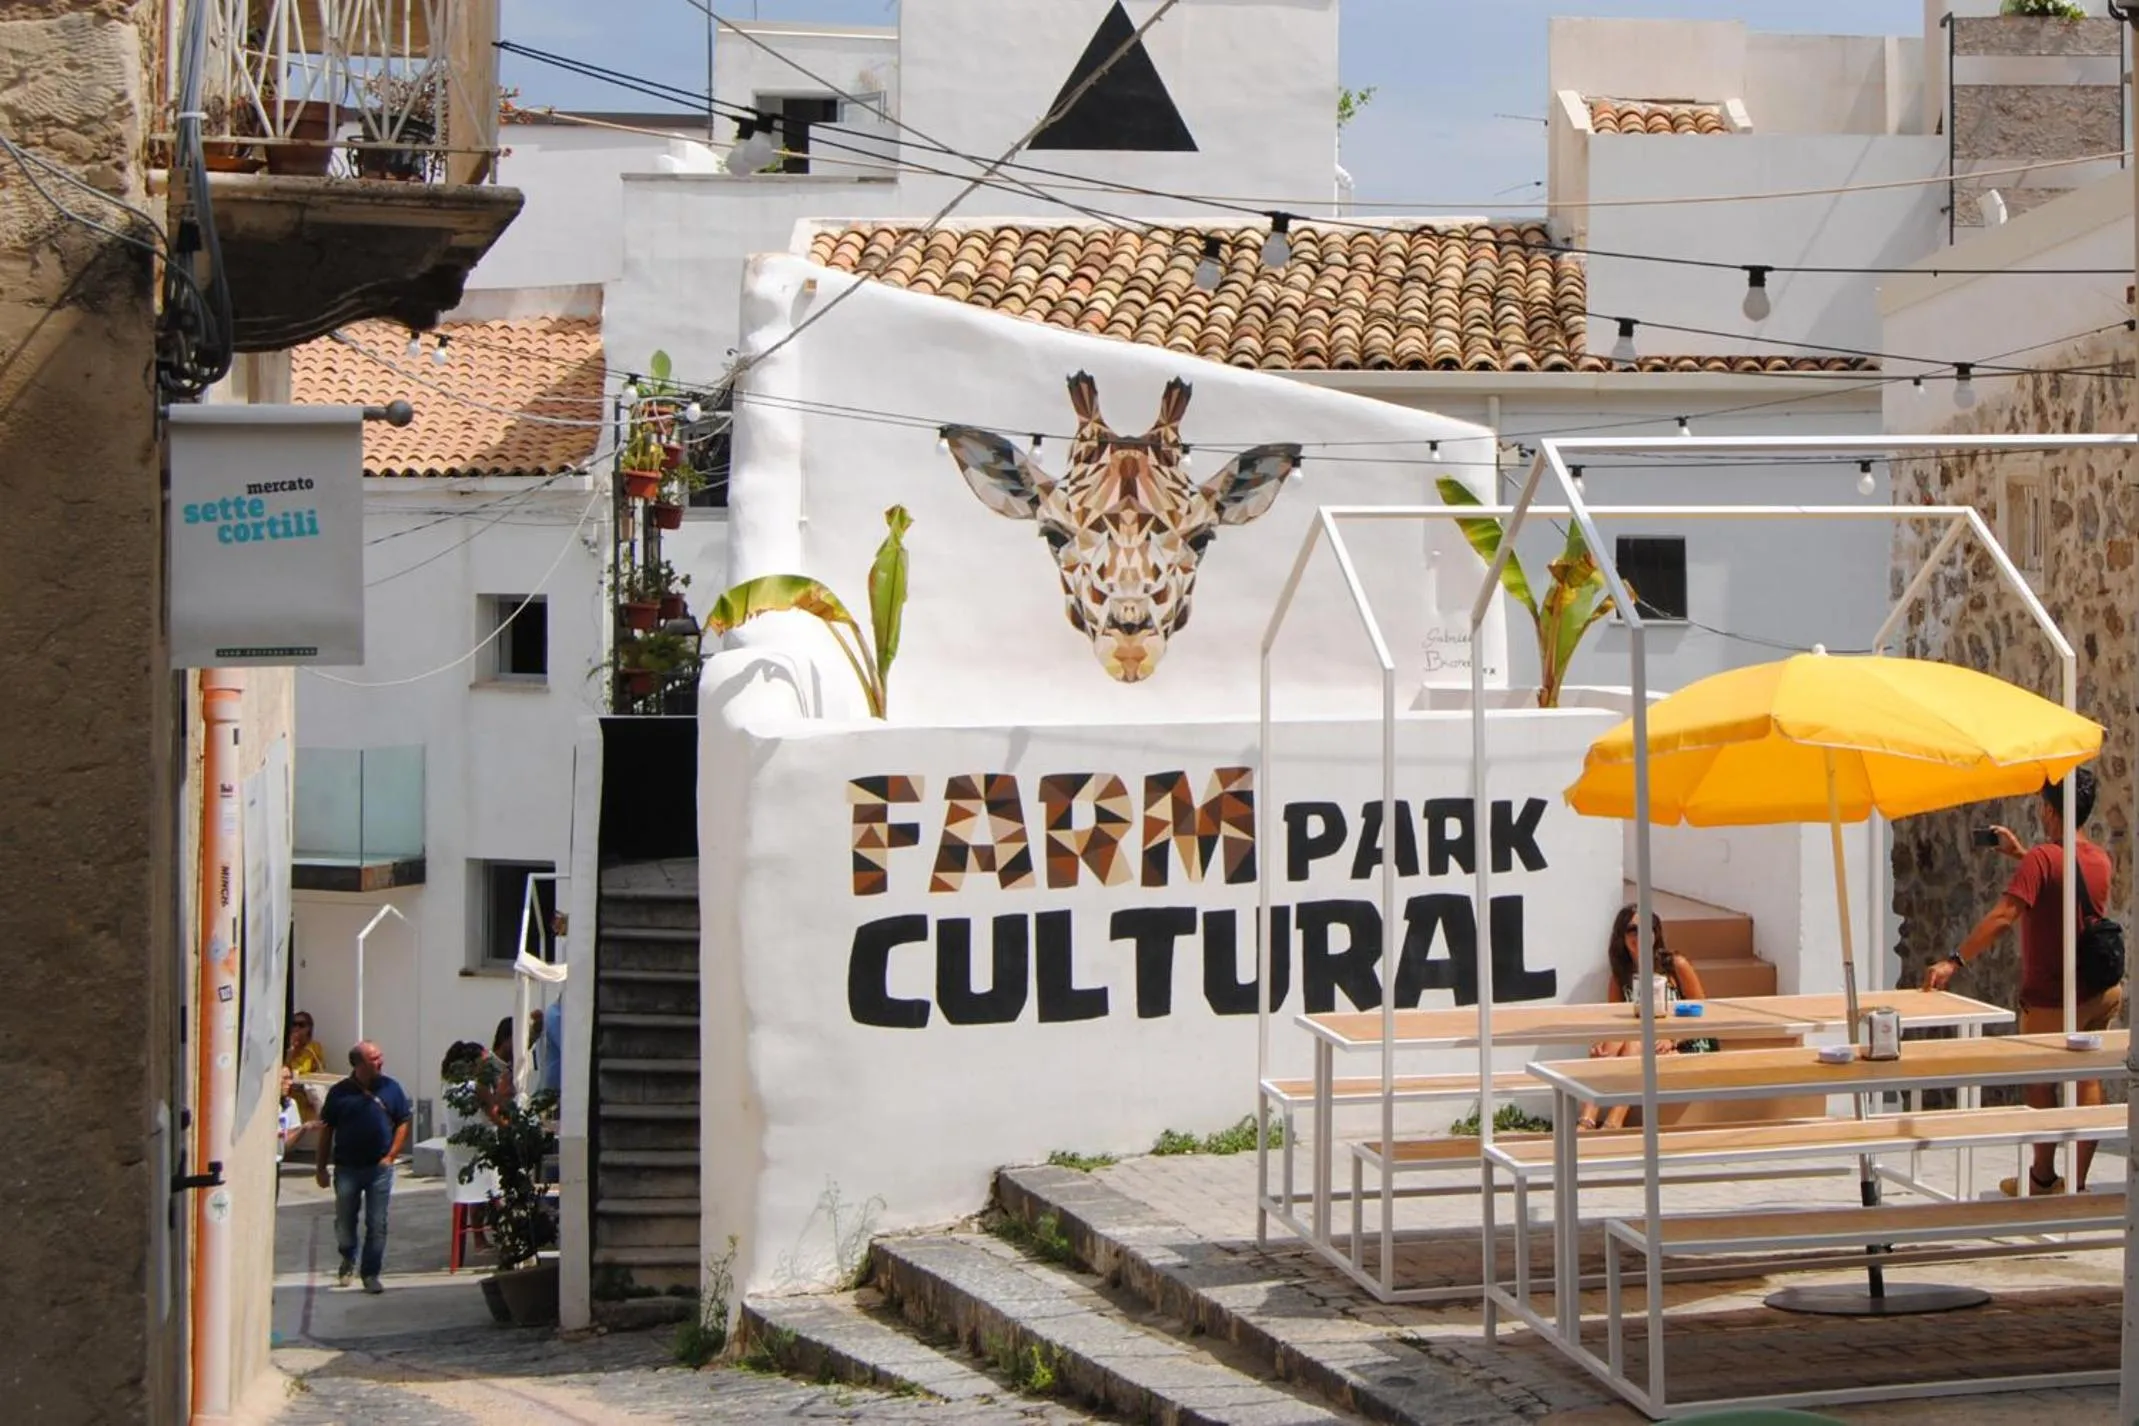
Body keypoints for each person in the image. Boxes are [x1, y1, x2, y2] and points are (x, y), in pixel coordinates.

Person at [1924, 769, 2121, 1195]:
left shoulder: (2042, 860)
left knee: (2040, 1082)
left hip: (2053, 997)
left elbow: (2003, 917)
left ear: (2049, 810)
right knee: (2087, 1079)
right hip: (2100, 990)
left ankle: (2043, 1178)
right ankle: (2078, 1185)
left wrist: (1954, 960)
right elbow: (2064, 879)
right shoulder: (2099, 859)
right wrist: (2021, 855)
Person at [1576, 906, 1713, 1132]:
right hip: (1643, 1042)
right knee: (1614, 1045)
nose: (1639, 936)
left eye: (1645, 928)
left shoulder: (1674, 966)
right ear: (1621, 936)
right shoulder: (1621, 977)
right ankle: (1588, 1119)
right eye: (1632, 929)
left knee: (1633, 1044)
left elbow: (1703, 1012)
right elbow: (1616, 1023)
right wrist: (1600, 1045)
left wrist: (1672, 1038)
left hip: (1685, 1042)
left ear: (1655, 933)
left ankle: (1612, 1122)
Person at [314, 1040, 412, 1294]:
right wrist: (321, 1167)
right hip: (347, 1168)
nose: (381, 1061)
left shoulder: (391, 1088)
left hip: (379, 1168)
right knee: (345, 1222)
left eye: (380, 1056)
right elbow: (327, 1130)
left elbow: (403, 1120)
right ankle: (348, 1257)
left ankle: (371, 1273)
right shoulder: (339, 1093)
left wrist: (391, 1155)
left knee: (377, 1223)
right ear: (358, 1063)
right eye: (374, 1058)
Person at [284, 1011, 326, 1121]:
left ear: (309, 1028)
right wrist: (291, 1050)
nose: (297, 1028)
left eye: (301, 1025)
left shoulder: (313, 1047)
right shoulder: (287, 1049)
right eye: (294, 1024)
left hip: (307, 1095)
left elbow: (320, 1071)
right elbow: (284, 1069)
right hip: (290, 1093)